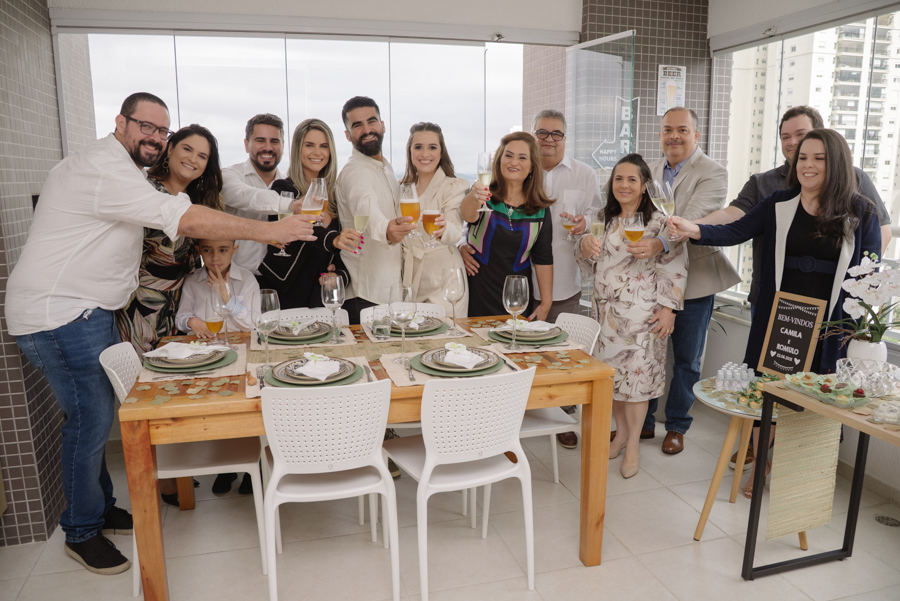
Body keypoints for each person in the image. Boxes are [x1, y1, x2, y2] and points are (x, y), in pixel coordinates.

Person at [5, 92, 314, 575]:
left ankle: (101, 509)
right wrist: (272, 231)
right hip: (61, 312)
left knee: (95, 414)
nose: (154, 137)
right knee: (89, 421)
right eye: (145, 126)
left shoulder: (125, 170)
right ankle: (82, 530)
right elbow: (184, 220)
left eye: (160, 130)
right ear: (120, 122)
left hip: (89, 310)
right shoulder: (104, 169)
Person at [669, 128, 881, 496]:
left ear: (836, 164)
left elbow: (870, 273)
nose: (808, 165)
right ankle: (760, 463)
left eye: (818, 158)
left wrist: (862, 328)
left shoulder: (861, 210)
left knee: (819, 396)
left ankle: (800, 474)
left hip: (831, 325)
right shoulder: (780, 203)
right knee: (767, 389)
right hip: (781, 317)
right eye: (802, 158)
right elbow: (736, 230)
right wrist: (694, 229)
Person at [623, 107, 741, 455]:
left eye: (682, 130)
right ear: (660, 134)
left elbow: (692, 220)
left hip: (696, 281)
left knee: (687, 359)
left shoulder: (713, 172)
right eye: (667, 130)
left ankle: (676, 426)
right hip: (651, 279)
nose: (673, 136)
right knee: (646, 351)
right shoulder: (649, 170)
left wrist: (658, 242)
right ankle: (644, 422)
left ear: (696, 135)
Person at [576, 154, 687, 478]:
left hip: (643, 317)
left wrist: (669, 309)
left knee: (636, 383)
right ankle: (621, 434)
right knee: (614, 380)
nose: (623, 185)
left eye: (631, 180)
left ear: (645, 186)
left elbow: (677, 265)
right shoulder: (603, 218)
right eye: (618, 179)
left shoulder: (660, 223)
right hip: (605, 315)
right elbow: (588, 259)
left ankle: (634, 444)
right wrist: (583, 246)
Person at [115, 124, 222, 355]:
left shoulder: (198, 201)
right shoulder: (146, 190)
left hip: (183, 308)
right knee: (146, 371)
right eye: (187, 149)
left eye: (202, 156)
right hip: (143, 306)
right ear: (170, 148)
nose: (193, 159)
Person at [258, 118, 360, 308]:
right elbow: (305, 229)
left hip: (320, 299)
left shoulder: (335, 198)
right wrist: (334, 239)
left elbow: (343, 255)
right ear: (298, 150)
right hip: (285, 294)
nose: (317, 152)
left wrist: (339, 275)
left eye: (324, 146)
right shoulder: (284, 190)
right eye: (309, 145)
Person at [335, 96, 416, 323]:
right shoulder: (355, 172)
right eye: (357, 125)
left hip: (389, 291)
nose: (367, 130)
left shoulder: (385, 168)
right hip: (366, 295)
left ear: (383, 125)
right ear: (347, 135)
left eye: (371, 121)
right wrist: (386, 229)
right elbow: (365, 205)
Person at [461, 131, 554, 319]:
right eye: (508, 155)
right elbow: (467, 215)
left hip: (516, 302)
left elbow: (543, 258)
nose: (514, 162)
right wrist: (475, 194)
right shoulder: (483, 195)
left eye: (522, 158)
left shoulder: (540, 210)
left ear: (532, 167)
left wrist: (546, 303)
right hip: (476, 296)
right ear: (499, 160)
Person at [399, 122, 470, 315]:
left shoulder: (452, 186)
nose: (425, 154)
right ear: (410, 151)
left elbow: (455, 231)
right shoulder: (402, 188)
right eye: (418, 147)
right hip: (410, 277)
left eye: (432, 147)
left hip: (445, 279)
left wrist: (444, 229)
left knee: (447, 332)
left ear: (441, 152)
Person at [222, 113, 295, 276]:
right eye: (260, 140)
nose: (268, 148)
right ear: (246, 144)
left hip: (278, 282)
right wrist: (290, 205)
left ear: (283, 146)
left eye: (274, 141)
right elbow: (246, 197)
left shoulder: (290, 183)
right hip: (235, 280)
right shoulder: (228, 176)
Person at [176, 238, 259, 338]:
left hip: (238, 342)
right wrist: (191, 321)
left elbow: (251, 325)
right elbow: (180, 319)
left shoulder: (247, 279)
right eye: (207, 250)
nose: (215, 258)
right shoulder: (192, 281)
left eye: (223, 250)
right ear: (199, 250)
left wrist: (227, 297)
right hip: (202, 343)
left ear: (234, 249)